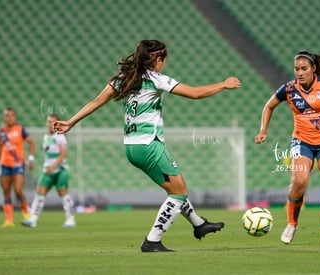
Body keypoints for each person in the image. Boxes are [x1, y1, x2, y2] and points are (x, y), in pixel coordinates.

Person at [53, 39, 241, 252]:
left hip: (132, 147)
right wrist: (223, 84)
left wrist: (71, 122)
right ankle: (152, 240)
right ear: (158, 59)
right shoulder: (155, 78)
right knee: (179, 193)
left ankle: (199, 224)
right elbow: (195, 93)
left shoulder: (124, 78)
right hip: (149, 144)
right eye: (164, 60)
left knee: (174, 188)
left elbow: (96, 102)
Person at [255, 50, 320, 246]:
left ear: (313, 69)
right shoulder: (288, 89)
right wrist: (263, 130)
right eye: (296, 69)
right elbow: (269, 106)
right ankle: (292, 224)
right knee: (299, 181)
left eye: (304, 68)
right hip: (301, 141)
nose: (300, 72)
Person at [22, 114, 75, 228]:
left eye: (53, 122)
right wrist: (48, 167)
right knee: (40, 192)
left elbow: (63, 154)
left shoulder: (60, 136)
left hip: (60, 169)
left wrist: (53, 166)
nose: (51, 124)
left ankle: (70, 219)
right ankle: (33, 219)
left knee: (63, 193)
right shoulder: (46, 136)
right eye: (49, 122)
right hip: (48, 170)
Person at [0, 107, 35, 227]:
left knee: (18, 190)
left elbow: (31, 143)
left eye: (12, 115)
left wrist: (31, 158)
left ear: (15, 117)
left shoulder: (20, 129)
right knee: (6, 192)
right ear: (4, 117)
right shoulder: (1, 131)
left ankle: (26, 213)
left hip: (18, 164)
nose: (9, 118)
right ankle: (9, 220)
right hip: (4, 164)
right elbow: (0, 147)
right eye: (7, 115)